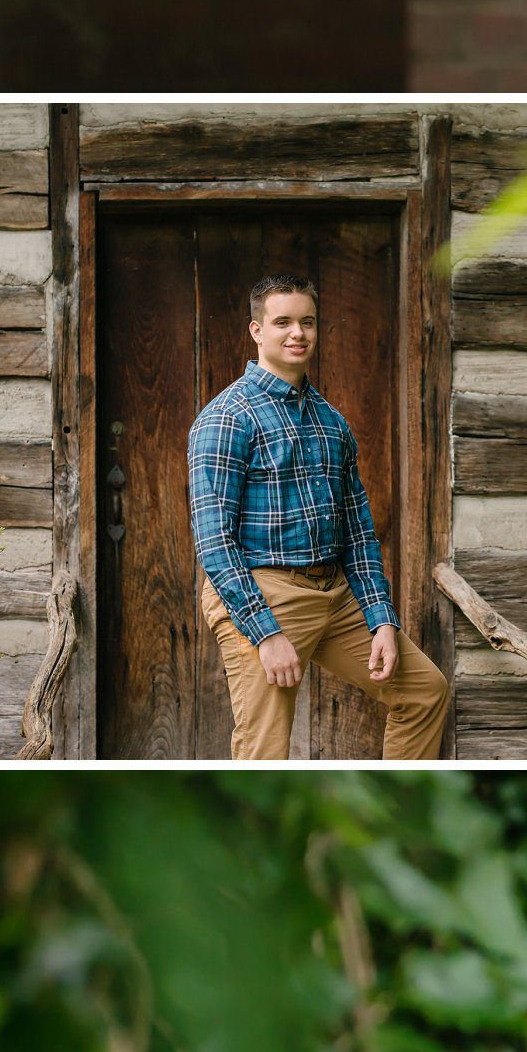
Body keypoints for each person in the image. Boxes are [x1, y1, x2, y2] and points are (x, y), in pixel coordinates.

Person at [186, 272, 450, 761]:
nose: (297, 333)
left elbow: (358, 533)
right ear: (256, 331)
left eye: (307, 322)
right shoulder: (228, 418)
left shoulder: (332, 423)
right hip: (266, 592)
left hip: (336, 595)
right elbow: (214, 544)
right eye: (282, 321)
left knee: (424, 691)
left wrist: (382, 621)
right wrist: (264, 633)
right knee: (264, 751)